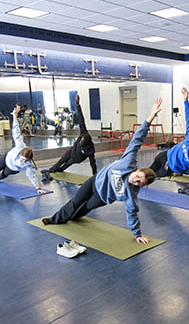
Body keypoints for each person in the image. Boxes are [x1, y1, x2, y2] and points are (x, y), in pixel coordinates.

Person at [42, 98, 163, 244]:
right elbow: (137, 139)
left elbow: (132, 214)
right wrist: (151, 117)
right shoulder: (128, 161)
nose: (135, 181)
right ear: (137, 170)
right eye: (138, 176)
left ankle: (72, 217)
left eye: (139, 183)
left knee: (84, 209)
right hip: (95, 182)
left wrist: (137, 235)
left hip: (101, 197)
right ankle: (55, 219)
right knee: (75, 201)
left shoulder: (131, 193)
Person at [149, 87, 189, 202]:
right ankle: (131, 181)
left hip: (168, 168)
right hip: (164, 155)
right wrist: (186, 100)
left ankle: (138, 185)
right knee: (148, 171)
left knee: (152, 176)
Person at [0, 105, 46, 194]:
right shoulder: (20, 145)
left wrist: (38, 188)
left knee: (4, 173)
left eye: (25, 160)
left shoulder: (29, 164)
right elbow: (16, 131)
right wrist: (14, 116)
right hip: (7, 158)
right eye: (23, 158)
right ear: (21, 152)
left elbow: (32, 176)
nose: (23, 160)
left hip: (13, 167)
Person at [41, 95, 96, 181]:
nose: (81, 141)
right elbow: (81, 119)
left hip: (77, 158)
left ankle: (58, 171)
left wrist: (94, 175)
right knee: (62, 160)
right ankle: (51, 170)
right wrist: (78, 105)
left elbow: (93, 163)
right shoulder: (83, 132)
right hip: (73, 150)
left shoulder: (90, 149)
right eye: (81, 139)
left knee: (66, 164)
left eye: (82, 141)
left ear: (86, 143)